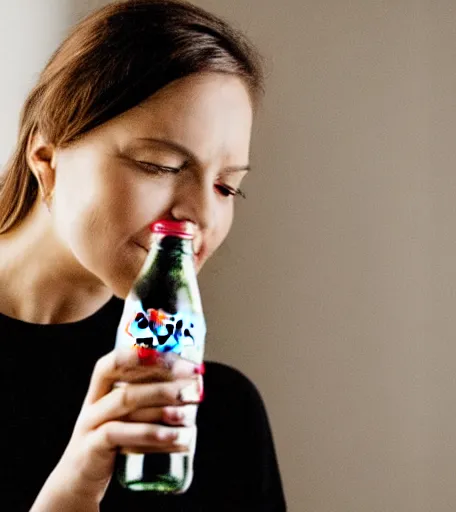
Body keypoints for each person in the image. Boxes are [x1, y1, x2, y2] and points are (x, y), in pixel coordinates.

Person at [0, 1, 286, 510]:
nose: (196, 214)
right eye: (159, 165)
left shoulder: (215, 418)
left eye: (226, 187)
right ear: (47, 161)